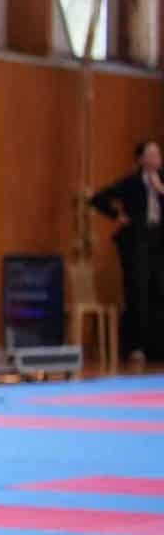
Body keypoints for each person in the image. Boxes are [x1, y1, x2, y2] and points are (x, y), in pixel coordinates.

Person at [91, 139, 164, 367]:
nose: (156, 159)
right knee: (137, 292)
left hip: (159, 241)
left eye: (158, 155)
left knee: (159, 291)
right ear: (141, 159)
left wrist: (160, 190)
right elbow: (98, 199)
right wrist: (118, 216)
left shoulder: (162, 181)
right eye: (150, 155)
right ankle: (136, 347)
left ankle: (157, 347)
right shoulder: (131, 183)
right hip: (137, 243)